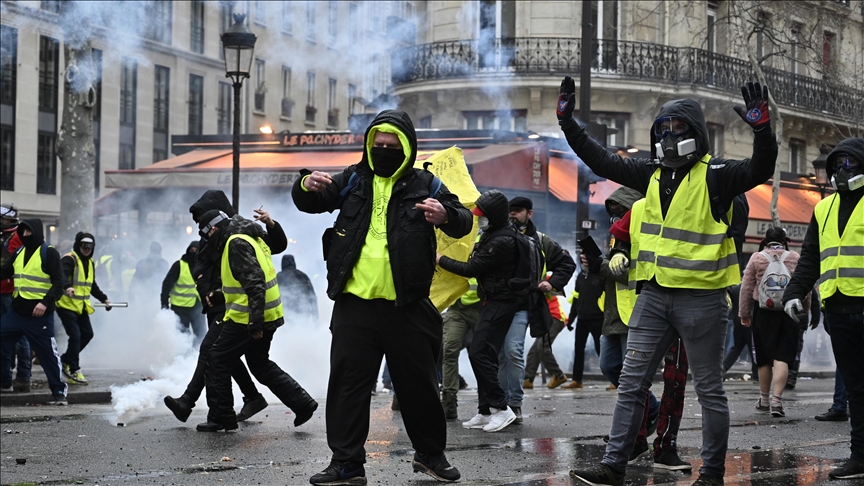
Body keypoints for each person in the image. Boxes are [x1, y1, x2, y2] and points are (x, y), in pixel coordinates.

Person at [561, 77, 777, 486]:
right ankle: (613, 465)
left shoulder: (717, 176)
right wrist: (568, 123)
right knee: (631, 382)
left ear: (696, 133)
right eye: (663, 129)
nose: (671, 136)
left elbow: (760, 168)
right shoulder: (651, 173)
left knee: (709, 389)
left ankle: (712, 474)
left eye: (679, 128)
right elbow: (602, 161)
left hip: (703, 300)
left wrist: (762, 130)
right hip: (655, 296)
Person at [293, 110, 471, 484]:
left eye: (392, 145)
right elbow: (311, 200)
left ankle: (430, 456)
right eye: (378, 144)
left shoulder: (427, 183)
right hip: (355, 306)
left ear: (407, 147)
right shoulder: (353, 179)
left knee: (420, 387)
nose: (384, 150)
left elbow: (463, 219)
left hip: (407, 305)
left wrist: (445, 214)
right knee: (347, 388)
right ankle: (346, 463)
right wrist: (305, 183)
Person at [164, 192, 285, 425]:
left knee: (213, 352)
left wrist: (271, 224)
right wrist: (201, 280)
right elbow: (201, 260)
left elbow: (276, 246)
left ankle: (197, 405)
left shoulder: (239, 233)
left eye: (202, 222)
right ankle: (251, 398)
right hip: (219, 304)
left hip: (231, 304)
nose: (201, 229)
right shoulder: (213, 234)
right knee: (223, 355)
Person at [782, 138, 864, 480]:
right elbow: (811, 258)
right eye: (836, 166)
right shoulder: (823, 208)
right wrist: (793, 293)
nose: (841, 171)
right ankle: (859, 456)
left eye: (849, 164)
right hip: (838, 310)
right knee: (857, 389)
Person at [197, 209, 318, 433]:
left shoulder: (235, 243)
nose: (207, 241)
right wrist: (221, 295)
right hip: (268, 313)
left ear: (213, 229)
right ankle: (303, 404)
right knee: (259, 363)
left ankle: (222, 418)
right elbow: (251, 277)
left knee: (216, 359)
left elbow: (254, 283)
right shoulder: (250, 235)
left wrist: (255, 324)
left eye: (206, 235)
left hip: (249, 316)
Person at [438, 189, 524, 433]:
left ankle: (501, 408)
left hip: (501, 302)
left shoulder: (502, 240)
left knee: (479, 353)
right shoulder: (494, 234)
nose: (479, 219)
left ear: (494, 215)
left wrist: (440, 259)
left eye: (483, 215)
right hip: (493, 300)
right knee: (482, 352)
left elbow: (472, 268)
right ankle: (485, 410)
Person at [739, 226, 808, 418]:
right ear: (785, 240)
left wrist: (744, 313)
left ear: (766, 240)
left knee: (764, 359)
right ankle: (777, 401)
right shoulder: (794, 257)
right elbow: (804, 285)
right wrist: (805, 309)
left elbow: (746, 288)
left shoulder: (757, 258)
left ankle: (764, 400)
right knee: (783, 357)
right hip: (789, 312)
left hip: (763, 313)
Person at [512, 196, 576, 395]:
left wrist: (549, 283)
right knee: (533, 349)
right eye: (510, 210)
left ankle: (557, 375)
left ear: (529, 213)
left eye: (518, 210)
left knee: (540, 347)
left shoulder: (543, 265)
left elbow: (565, 266)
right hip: (530, 310)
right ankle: (528, 379)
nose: (512, 213)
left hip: (553, 316)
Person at [0, 219, 68, 405]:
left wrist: (44, 303)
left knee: (48, 355)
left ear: (37, 232)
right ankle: (4, 380)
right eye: (23, 232)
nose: (26, 235)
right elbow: (5, 272)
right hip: (16, 313)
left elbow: (58, 283)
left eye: (29, 232)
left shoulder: (49, 253)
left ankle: (59, 393)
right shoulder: (19, 252)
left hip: (39, 316)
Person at [57, 232, 112, 385]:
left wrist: (104, 299)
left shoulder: (89, 262)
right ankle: (74, 369)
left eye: (90, 246)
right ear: (78, 245)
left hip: (80, 307)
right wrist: (67, 287)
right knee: (75, 336)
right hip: (66, 305)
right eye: (84, 245)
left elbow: (91, 285)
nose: (87, 248)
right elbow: (61, 275)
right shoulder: (70, 258)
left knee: (87, 334)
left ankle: (65, 360)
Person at [441, 280, 482, 419]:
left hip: (481, 306)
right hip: (456, 308)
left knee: (484, 354)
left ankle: (488, 401)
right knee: (449, 351)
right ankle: (449, 402)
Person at [0, 203, 30, 393]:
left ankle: (23, 377)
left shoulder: (16, 237)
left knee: (19, 336)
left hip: (11, 292)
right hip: (3, 290)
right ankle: (7, 375)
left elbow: (13, 263)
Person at [565, 254, 604, 389]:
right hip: (582, 319)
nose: (584, 261)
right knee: (578, 350)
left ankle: (614, 379)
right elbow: (576, 298)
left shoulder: (600, 276)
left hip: (598, 319)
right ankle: (577, 380)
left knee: (602, 350)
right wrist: (571, 319)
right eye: (582, 259)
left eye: (586, 258)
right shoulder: (581, 277)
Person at [161, 241, 206, 343]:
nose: (194, 253)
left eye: (196, 251)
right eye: (191, 250)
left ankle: (197, 356)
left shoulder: (203, 266)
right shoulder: (179, 266)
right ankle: (183, 357)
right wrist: (164, 304)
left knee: (201, 336)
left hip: (197, 307)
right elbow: (166, 284)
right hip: (180, 308)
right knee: (182, 337)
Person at [276, 254, 318, 323]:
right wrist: (316, 318)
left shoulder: (279, 277)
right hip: (303, 313)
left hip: (286, 314)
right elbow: (312, 297)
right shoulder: (303, 276)